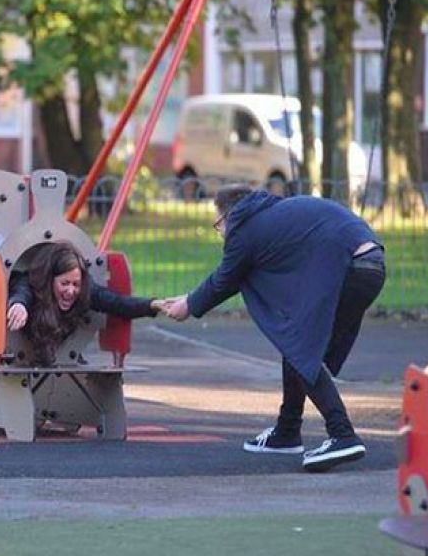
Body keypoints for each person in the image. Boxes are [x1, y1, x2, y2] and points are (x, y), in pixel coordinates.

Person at [165, 185, 386, 473]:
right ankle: (287, 430)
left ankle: (342, 434)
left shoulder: (245, 227)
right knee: (294, 338)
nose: (220, 233)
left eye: (217, 224)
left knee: (299, 344)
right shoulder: (273, 215)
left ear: (229, 215)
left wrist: (189, 305)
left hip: (349, 265)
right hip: (373, 263)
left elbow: (225, 279)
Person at [7, 241, 165, 365]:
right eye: (65, 283)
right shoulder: (31, 284)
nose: (70, 291)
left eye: (76, 284)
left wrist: (153, 305)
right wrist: (19, 305)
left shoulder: (85, 291)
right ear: (50, 280)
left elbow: (118, 303)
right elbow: (21, 290)